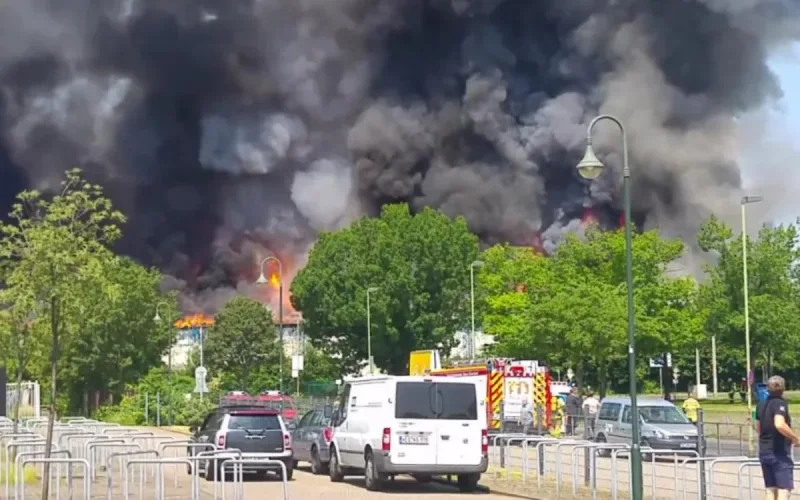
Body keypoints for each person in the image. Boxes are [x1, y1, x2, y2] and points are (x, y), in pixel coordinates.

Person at [756, 375, 799, 500]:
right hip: (778, 452)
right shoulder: (780, 403)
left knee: (770, 489)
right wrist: (795, 438)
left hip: (764, 451)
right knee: (784, 489)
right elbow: (779, 424)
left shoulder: (761, 405)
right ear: (783, 388)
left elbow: (758, 428)